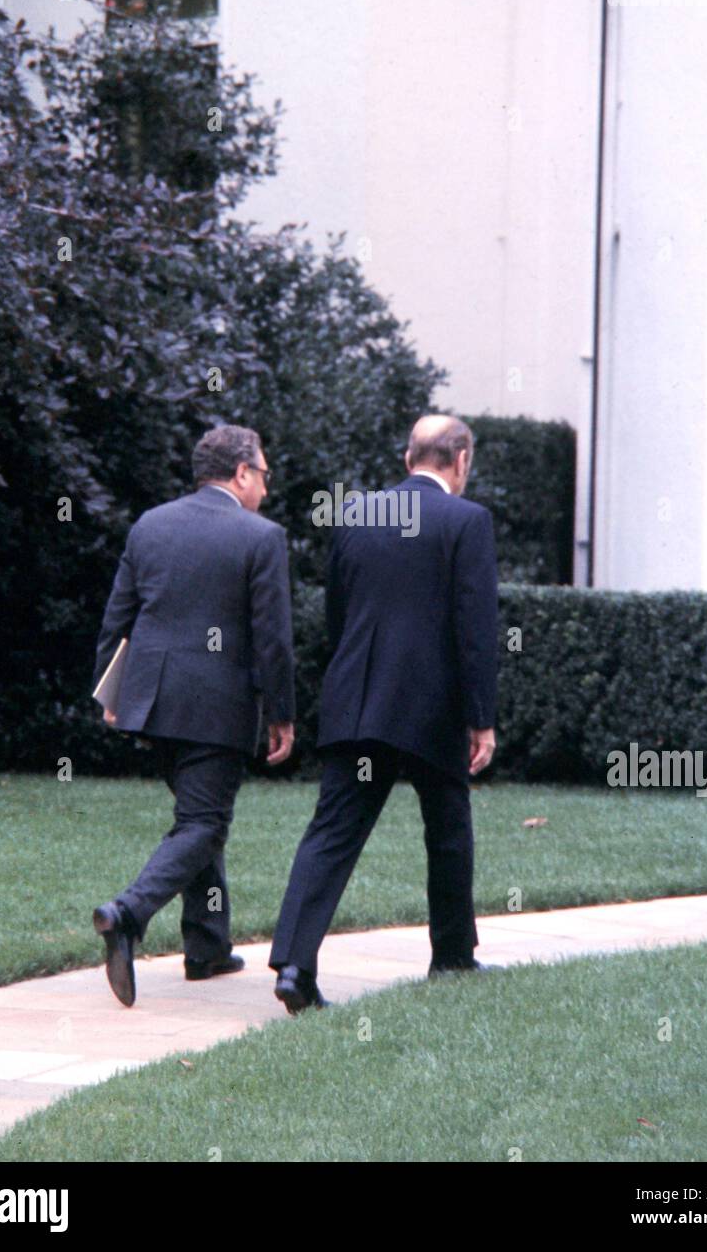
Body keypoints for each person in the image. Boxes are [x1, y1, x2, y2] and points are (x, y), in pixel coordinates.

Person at [270, 414, 498, 1013]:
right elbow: (474, 631)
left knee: (331, 833)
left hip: (358, 702)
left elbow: (338, 618)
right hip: (432, 711)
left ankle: (294, 965)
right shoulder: (467, 521)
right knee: (448, 830)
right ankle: (452, 956)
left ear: (407, 458)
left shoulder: (357, 515)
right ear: (462, 460)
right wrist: (482, 718)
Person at [91, 424, 295, 1007]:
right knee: (204, 824)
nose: (265, 485)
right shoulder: (262, 536)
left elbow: (118, 618)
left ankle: (207, 947)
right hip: (217, 705)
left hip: (153, 703)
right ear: (240, 473)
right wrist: (282, 714)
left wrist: (112, 694)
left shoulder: (150, 524)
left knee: (197, 816)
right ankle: (126, 914)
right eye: (263, 473)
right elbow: (273, 641)